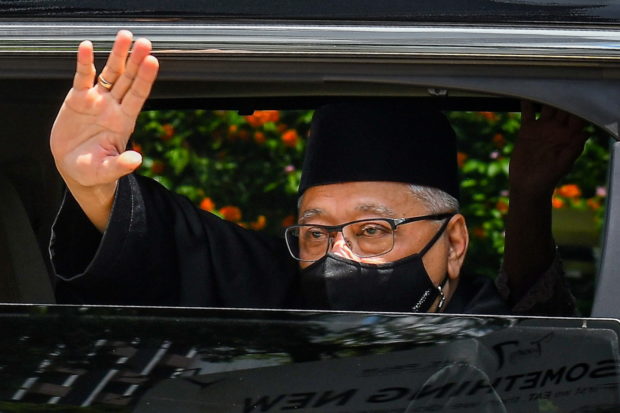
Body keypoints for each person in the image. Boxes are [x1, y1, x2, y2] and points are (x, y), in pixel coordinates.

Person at [49, 31, 586, 315]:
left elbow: (549, 326)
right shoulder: (277, 285)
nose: (336, 257)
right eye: (315, 231)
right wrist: (94, 184)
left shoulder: (495, 327)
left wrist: (528, 194)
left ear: (455, 242)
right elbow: (170, 241)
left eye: (373, 230)